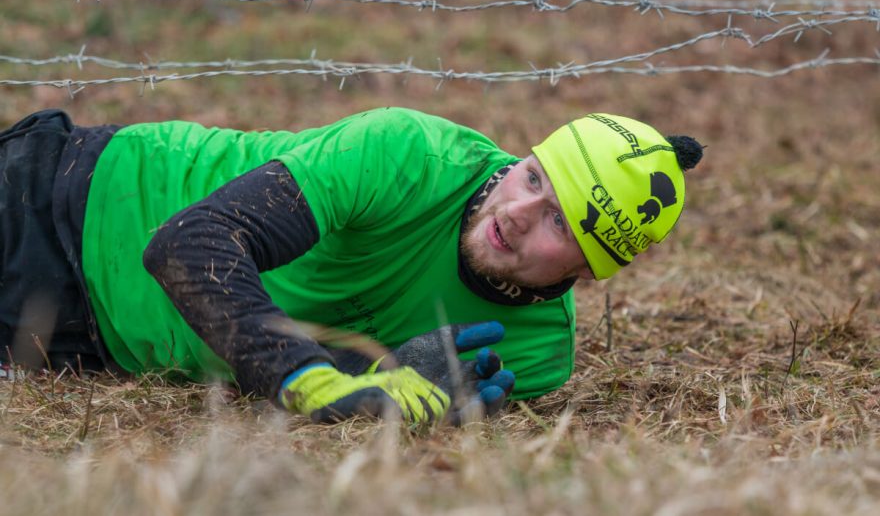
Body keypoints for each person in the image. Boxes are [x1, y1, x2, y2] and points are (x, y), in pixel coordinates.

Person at [0, 107, 702, 425]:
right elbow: (188, 244)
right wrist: (307, 378)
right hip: (68, 201)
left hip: (84, 348)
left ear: (593, 268)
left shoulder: (537, 356)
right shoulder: (409, 153)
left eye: (559, 220)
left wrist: (374, 377)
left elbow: (364, 384)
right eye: (534, 176)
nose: (520, 208)